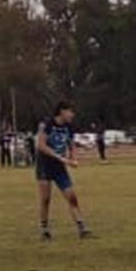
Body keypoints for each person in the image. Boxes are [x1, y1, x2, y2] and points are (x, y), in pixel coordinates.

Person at [35, 100, 91, 240]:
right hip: (45, 165)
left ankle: (81, 227)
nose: (73, 114)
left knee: (72, 196)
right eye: (70, 111)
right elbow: (41, 145)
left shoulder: (69, 127)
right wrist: (60, 158)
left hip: (59, 166)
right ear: (62, 111)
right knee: (46, 199)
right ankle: (44, 229)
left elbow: (71, 144)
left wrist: (73, 158)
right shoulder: (48, 124)